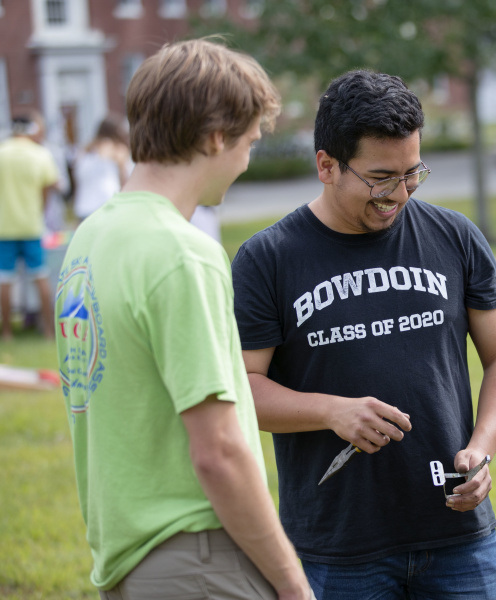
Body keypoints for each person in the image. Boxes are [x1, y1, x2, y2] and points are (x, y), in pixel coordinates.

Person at [231, 69, 496, 599]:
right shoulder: (268, 259)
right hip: (338, 549)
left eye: (412, 174)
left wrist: (482, 449)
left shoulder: (455, 237)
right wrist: (331, 411)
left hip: (458, 538)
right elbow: (241, 391)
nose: (398, 194)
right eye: (380, 177)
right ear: (326, 165)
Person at [54, 39, 313, 600]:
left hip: (127, 555)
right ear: (216, 135)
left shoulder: (91, 238)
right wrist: (294, 583)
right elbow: (217, 451)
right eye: (247, 142)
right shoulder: (182, 253)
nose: (246, 159)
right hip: (199, 556)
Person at [0, 110, 59, 341]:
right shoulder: (40, 154)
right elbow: (49, 187)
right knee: (40, 277)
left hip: (4, 227)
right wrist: (39, 210)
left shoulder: (2, 153)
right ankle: (48, 330)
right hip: (32, 225)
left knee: (4, 280)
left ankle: (6, 333)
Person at [72, 115, 131, 221]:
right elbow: (125, 179)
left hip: (83, 206)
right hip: (108, 203)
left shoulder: (84, 150)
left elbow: (77, 179)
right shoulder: (117, 150)